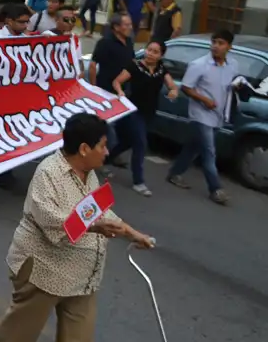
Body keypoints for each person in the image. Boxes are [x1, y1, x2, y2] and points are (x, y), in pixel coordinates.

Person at [0, 112, 154, 342]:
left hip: (81, 274)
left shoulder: (89, 174)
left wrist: (132, 233)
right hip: (43, 268)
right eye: (103, 146)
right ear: (85, 147)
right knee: (23, 327)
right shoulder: (48, 174)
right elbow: (53, 224)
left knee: (80, 340)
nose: (108, 152)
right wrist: (97, 225)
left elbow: (102, 211)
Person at [166, 30, 244, 205]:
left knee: (193, 147)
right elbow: (186, 87)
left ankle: (174, 173)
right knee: (209, 152)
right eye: (214, 42)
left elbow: (232, 85)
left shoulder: (233, 65)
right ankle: (215, 189)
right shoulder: (199, 64)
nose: (216, 46)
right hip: (200, 115)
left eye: (221, 43)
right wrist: (204, 99)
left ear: (229, 47)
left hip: (219, 115)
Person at [111, 40, 180, 197]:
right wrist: (120, 92)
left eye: (155, 52)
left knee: (128, 141)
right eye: (149, 50)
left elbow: (172, 86)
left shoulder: (162, 69)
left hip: (149, 112)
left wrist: (173, 92)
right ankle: (138, 182)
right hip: (133, 110)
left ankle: (105, 158)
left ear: (161, 55)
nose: (150, 54)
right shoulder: (135, 66)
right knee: (141, 144)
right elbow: (117, 81)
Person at [88, 13, 137, 165]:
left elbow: (132, 63)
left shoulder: (128, 41)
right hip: (106, 91)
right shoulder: (105, 43)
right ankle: (100, 160)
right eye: (126, 25)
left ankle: (109, 157)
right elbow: (93, 65)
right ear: (116, 27)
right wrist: (94, 88)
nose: (130, 28)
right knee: (109, 131)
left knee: (128, 133)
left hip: (124, 92)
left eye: (130, 24)